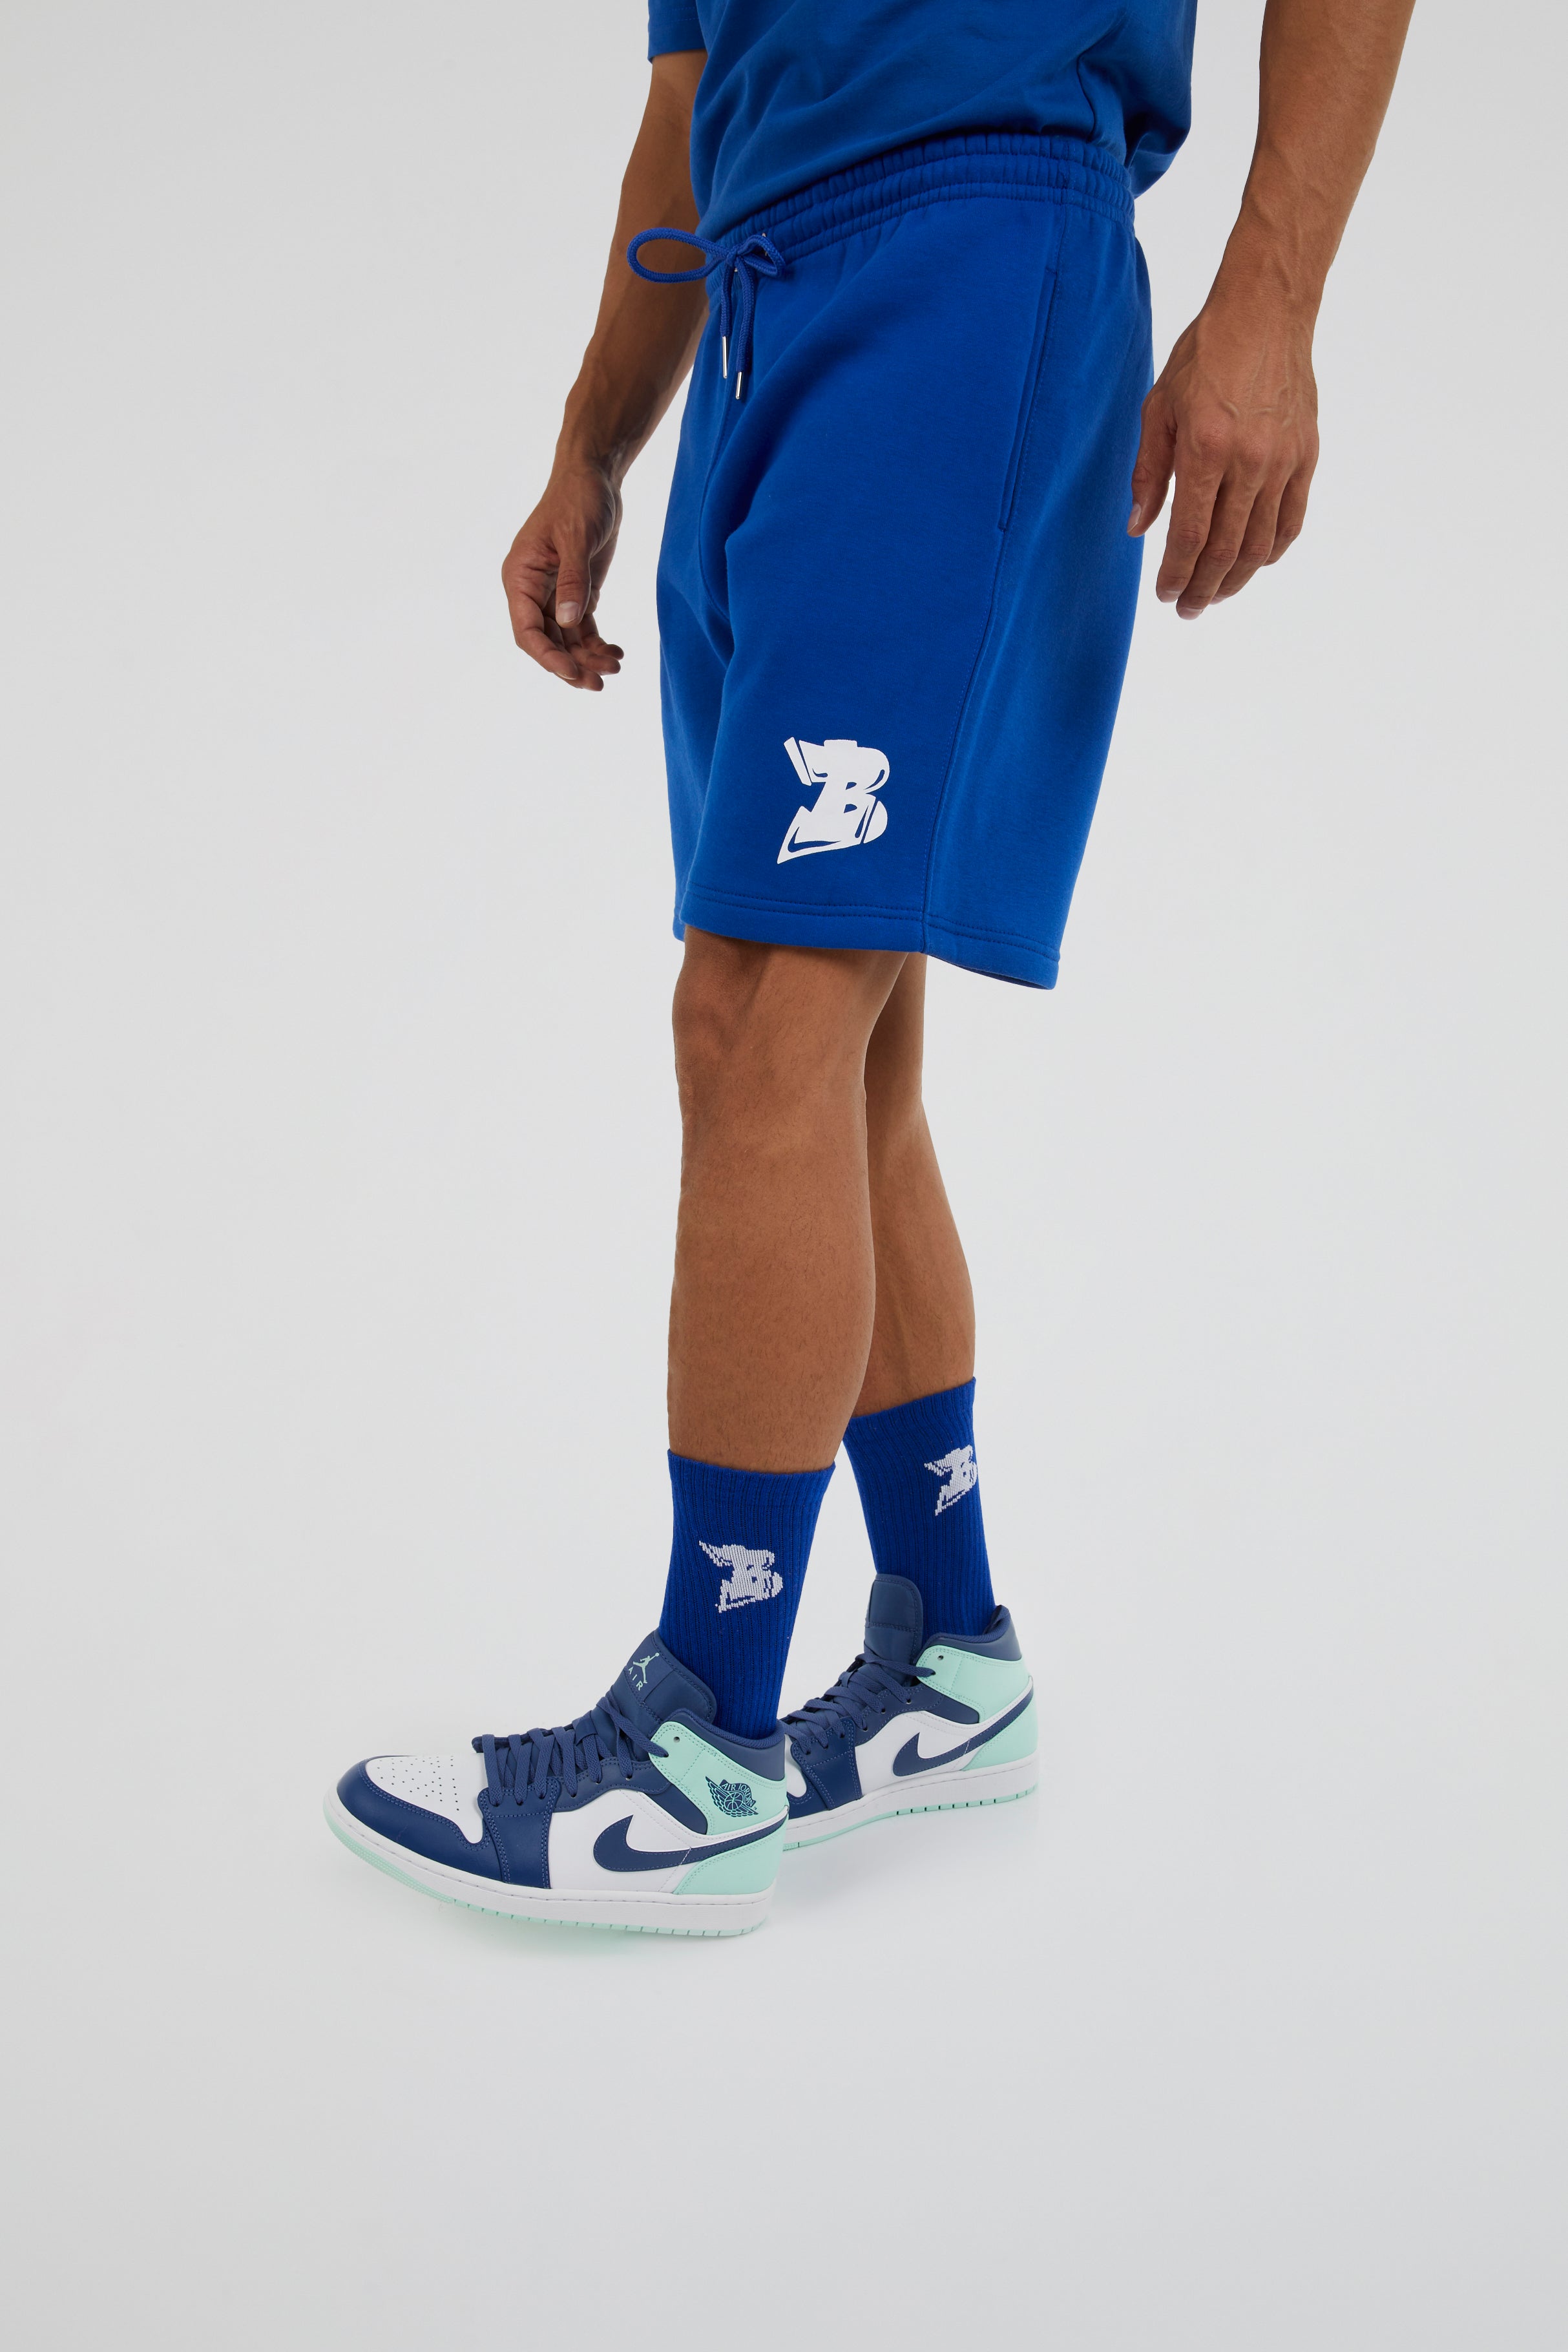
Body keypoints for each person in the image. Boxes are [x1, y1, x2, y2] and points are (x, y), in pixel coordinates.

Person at [326, 0, 1415, 1933]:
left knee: (760, 1008)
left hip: (969, 250)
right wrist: (594, 439)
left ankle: (697, 1749)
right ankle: (949, 1653)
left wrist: (1271, 296)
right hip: (762, 306)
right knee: (836, 1042)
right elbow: (691, 90)